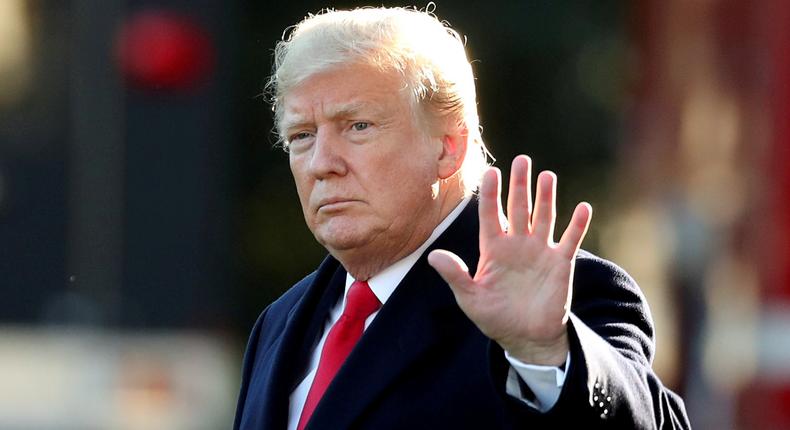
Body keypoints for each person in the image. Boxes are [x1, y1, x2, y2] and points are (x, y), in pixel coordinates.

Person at [234, 6, 690, 429]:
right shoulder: (280, 322)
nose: (321, 163)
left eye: (358, 126)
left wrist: (545, 356)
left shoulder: (559, 298)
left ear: (448, 146)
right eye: (302, 135)